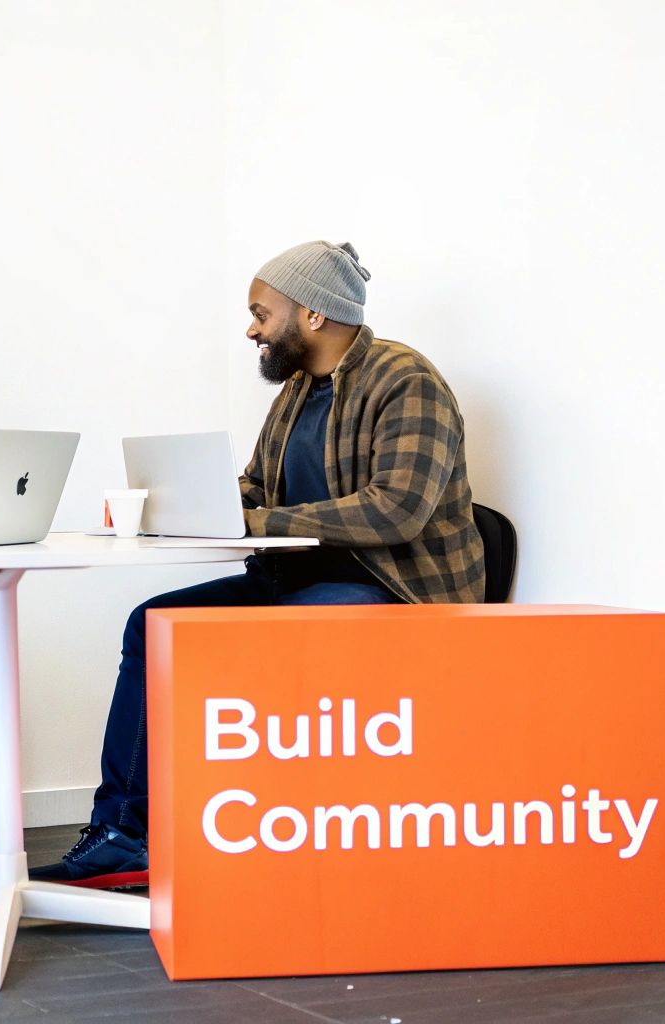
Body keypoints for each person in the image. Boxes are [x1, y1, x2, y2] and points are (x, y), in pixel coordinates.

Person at [30, 240, 486, 888]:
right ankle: (123, 836)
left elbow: (397, 510)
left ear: (313, 314)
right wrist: (182, 509)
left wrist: (251, 521)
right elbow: (255, 489)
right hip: (296, 580)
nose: (252, 329)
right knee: (153, 623)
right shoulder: (299, 392)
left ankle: (266, 842)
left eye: (261, 312)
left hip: (392, 588)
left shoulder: (405, 379)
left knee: (258, 640)